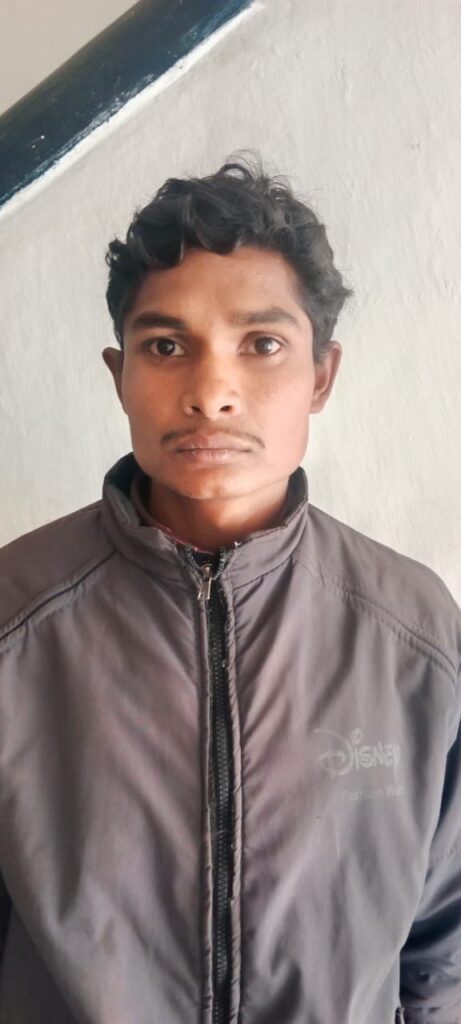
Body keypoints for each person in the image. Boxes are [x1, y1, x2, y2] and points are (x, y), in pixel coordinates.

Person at [0, 157, 460, 1024]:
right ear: (119, 375)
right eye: (166, 347)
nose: (210, 393)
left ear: (320, 375)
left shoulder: (411, 628)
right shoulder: (15, 620)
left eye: (262, 344)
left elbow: (443, 947)